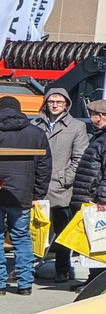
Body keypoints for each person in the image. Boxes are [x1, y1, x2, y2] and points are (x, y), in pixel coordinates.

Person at [67, 98, 106, 280]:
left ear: (100, 116)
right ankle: (92, 280)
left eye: (92, 115)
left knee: (101, 242)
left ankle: (99, 282)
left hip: (99, 199)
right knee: (94, 243)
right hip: (94, 196)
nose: (91, 118)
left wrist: (104, 198)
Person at [0, 96, 52, 294]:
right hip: (22, 193)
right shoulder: (36, 133)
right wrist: (38, 193)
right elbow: (44, 166)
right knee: (22, 237)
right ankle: (25, 285)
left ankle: (0, 284)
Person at [37, 88, 86, 282]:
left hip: (60, 187)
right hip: (37, 184)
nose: (55, 105)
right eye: (51, 101)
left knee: (62, 229)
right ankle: (29, 266)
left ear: (66, 104)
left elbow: (79, 157)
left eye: (59, 101)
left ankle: (62, 268)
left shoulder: (76, 126)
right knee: (35, 228)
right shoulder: (35, 124)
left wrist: (65, 178)